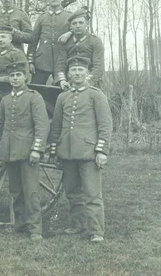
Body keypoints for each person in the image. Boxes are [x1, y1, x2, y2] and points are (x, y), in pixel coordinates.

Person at [48, 56, 112, 243]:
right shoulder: (63, 97)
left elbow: (105, 125)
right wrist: (54, 150)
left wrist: (101, 151)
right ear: (68, 74)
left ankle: (96, 231)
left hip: (88, 153)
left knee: (92, 193)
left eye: (80, 70)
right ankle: (78, 224)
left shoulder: (96, 95)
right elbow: (56, 126)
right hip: (68, 152)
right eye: (73, 70)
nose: (76, 73)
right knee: (72, 192)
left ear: (87, 73)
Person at [0, 61, 49, 240]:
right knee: (16, 191)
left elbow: (42, 125)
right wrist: (5, 143)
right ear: (8, 78)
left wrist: (36, 149)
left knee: (31, 191)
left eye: (18, 75)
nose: (15, 78)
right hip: (10, 152)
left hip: (28, 152)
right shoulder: (5, 100)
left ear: (26, 77)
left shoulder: (34, 97)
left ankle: (35, 229)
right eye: (12, 75)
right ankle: (20, 225)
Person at [27, 0, 73, 84]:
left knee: (61, 92)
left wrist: (70, 32)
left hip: (62, 61)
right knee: (35, 89)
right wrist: (31, 61)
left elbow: (79, 33)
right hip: (42, 62)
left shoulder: (70, 17)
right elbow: (33, 41)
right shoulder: (41, 17)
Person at [55, 8, 104, 89]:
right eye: (74, 23)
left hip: (91, 82)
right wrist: (62, 80)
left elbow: (98, 67)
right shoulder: (66, 42)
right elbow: (60, 64)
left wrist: (86, 82)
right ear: (70, 26)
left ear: (87, 24)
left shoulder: (95, 41)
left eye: (81, 23)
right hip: (70, 82)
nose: (78, 26)